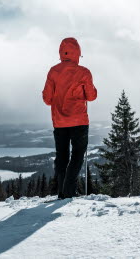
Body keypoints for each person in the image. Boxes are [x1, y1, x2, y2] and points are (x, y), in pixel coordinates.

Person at [42, 37, 97, 199]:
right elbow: (91, 96)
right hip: (79, 121)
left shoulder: (53, 71)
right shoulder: (84, 72)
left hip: (59, 122)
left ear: (61, 53)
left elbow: (47, 99)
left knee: (62, 156)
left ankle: (62, 191)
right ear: (77, 53)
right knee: (78, 155)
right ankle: (68, 191)